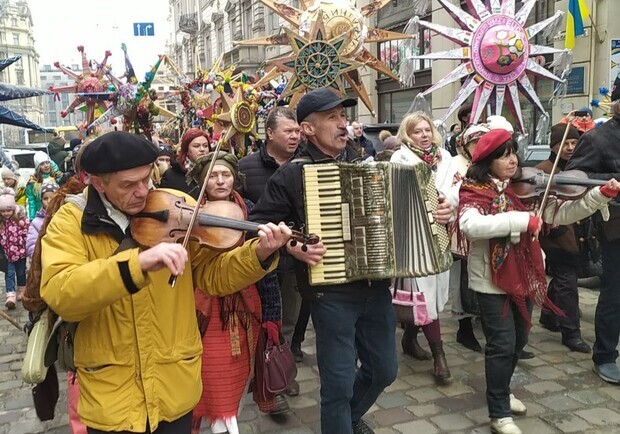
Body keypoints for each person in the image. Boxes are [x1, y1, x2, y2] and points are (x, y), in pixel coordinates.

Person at [40, 131, 292, 434]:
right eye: (128, 185)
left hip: (174, 384)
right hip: (112, 397)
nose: (142, 192)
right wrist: (137, 264)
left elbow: (213, 276)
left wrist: (259, 254)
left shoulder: (177, 207)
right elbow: (62, 292)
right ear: (98, 183)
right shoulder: (70, 222)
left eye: (146, 179)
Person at [251, 88, 397, 434]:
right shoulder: (291, 173)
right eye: (332, 118)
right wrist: (292, 246)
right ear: (308, 129)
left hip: (376, 285)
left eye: (343, 116)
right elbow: (258, 226)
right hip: (331, 293)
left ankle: (347, 420)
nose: (342, 124)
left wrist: (434, 210)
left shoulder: (366, 161)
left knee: (384, 370)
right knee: (339, 384)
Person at [457, 128, 619, 434]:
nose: (512, 160)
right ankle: (499, 412)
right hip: (490, 280)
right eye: (503, 155)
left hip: (526, 274)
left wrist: (599, 195)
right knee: (501, 345)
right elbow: (471, 226)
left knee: (519, 339)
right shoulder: (473, 189)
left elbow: (564, 213)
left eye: (513, 153)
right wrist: (522, 220)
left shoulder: (528, 190)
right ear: (487, 160)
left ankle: (503, 390)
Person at [186, 152, 279, 433]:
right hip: (204, 305)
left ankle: (227, 415)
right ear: (202, 180)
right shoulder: (191, 212)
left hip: (243, 299)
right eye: (212, 175)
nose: (220, 180)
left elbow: (264, 269)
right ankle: (216, 417)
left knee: (239, 366)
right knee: (212, 368)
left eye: (225, 174)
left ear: (235, 179)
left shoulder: (248, 209)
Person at [239, 107, 306, 397]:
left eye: (296, 131)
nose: (295, 136)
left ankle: (281, 374)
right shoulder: (246, 167)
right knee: (258, 320)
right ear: (269, 134)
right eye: (288, 131)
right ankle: (256, 375)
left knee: (288, 320)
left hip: (294, 261)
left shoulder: (306, 163)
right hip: (259, 262)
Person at [391, 112, 460, 385]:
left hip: (439, 234)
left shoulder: (446, 158)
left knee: (432, 293)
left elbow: (458, 188)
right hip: (412, 237)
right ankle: (439, 356)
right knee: (423, 293)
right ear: (407, 135)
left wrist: (449, 205)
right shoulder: (401, 158)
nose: (424, 135)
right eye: (417, 131)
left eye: (427, 129)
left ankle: (409, 337)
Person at [566, 77, 620, 383]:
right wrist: (613, 179)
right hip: (616, 224)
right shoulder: (598, 139)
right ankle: (605, 354)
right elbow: (574, 176)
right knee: (615, 292)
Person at [535, 123, 590, 353]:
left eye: (573, 143)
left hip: (577, 235)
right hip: (556, 235)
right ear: (553, 146)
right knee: (567, 282)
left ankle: (548, 314)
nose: (569, 148)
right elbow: (537, 205)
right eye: (563, 144)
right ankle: (571, 332)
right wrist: (551, 226)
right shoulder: (543, 170)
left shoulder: (580, 167)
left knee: (562, 279)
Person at [451, 123, 490, 352]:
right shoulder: (456, 164)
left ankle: (488, 325)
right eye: (475, 143)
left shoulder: (491, 164)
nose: (480, 147)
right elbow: (451, 194)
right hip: (462, 230)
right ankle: (464, 328)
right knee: (461, 281)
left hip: (487, 230)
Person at [160, 128, 210, 198]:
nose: (202, 149)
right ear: (186, 149)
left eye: (205, 146)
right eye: (196, 146)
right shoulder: (171, 176)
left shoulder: (213, 170)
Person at [0, 187, 28, 309]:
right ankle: (10, 295)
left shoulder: (20, 220)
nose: (6, 213)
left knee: (21, 273)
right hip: (8, 254)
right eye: (3, 211)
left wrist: (25, 244)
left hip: (20, 253)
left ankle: (22, 290)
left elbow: (27, 233)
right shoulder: (1, 222)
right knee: (9, 274)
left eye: (8, 210)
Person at [26, 181, 59, 258]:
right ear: (41, 200)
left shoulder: (65, 217)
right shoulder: (36, 222)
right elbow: (31, 244)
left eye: (52, 198)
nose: (49, 201)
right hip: (44, 260)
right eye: (45, 198)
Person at [26, 152, 62, 220]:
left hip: (56, 213)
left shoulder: (57, 177)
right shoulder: (32, 182)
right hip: (40, 215)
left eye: (47, 162)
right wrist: (32, 218)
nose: (46, 165)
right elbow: (31, 201)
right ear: (38, 167)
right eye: (42, 164)